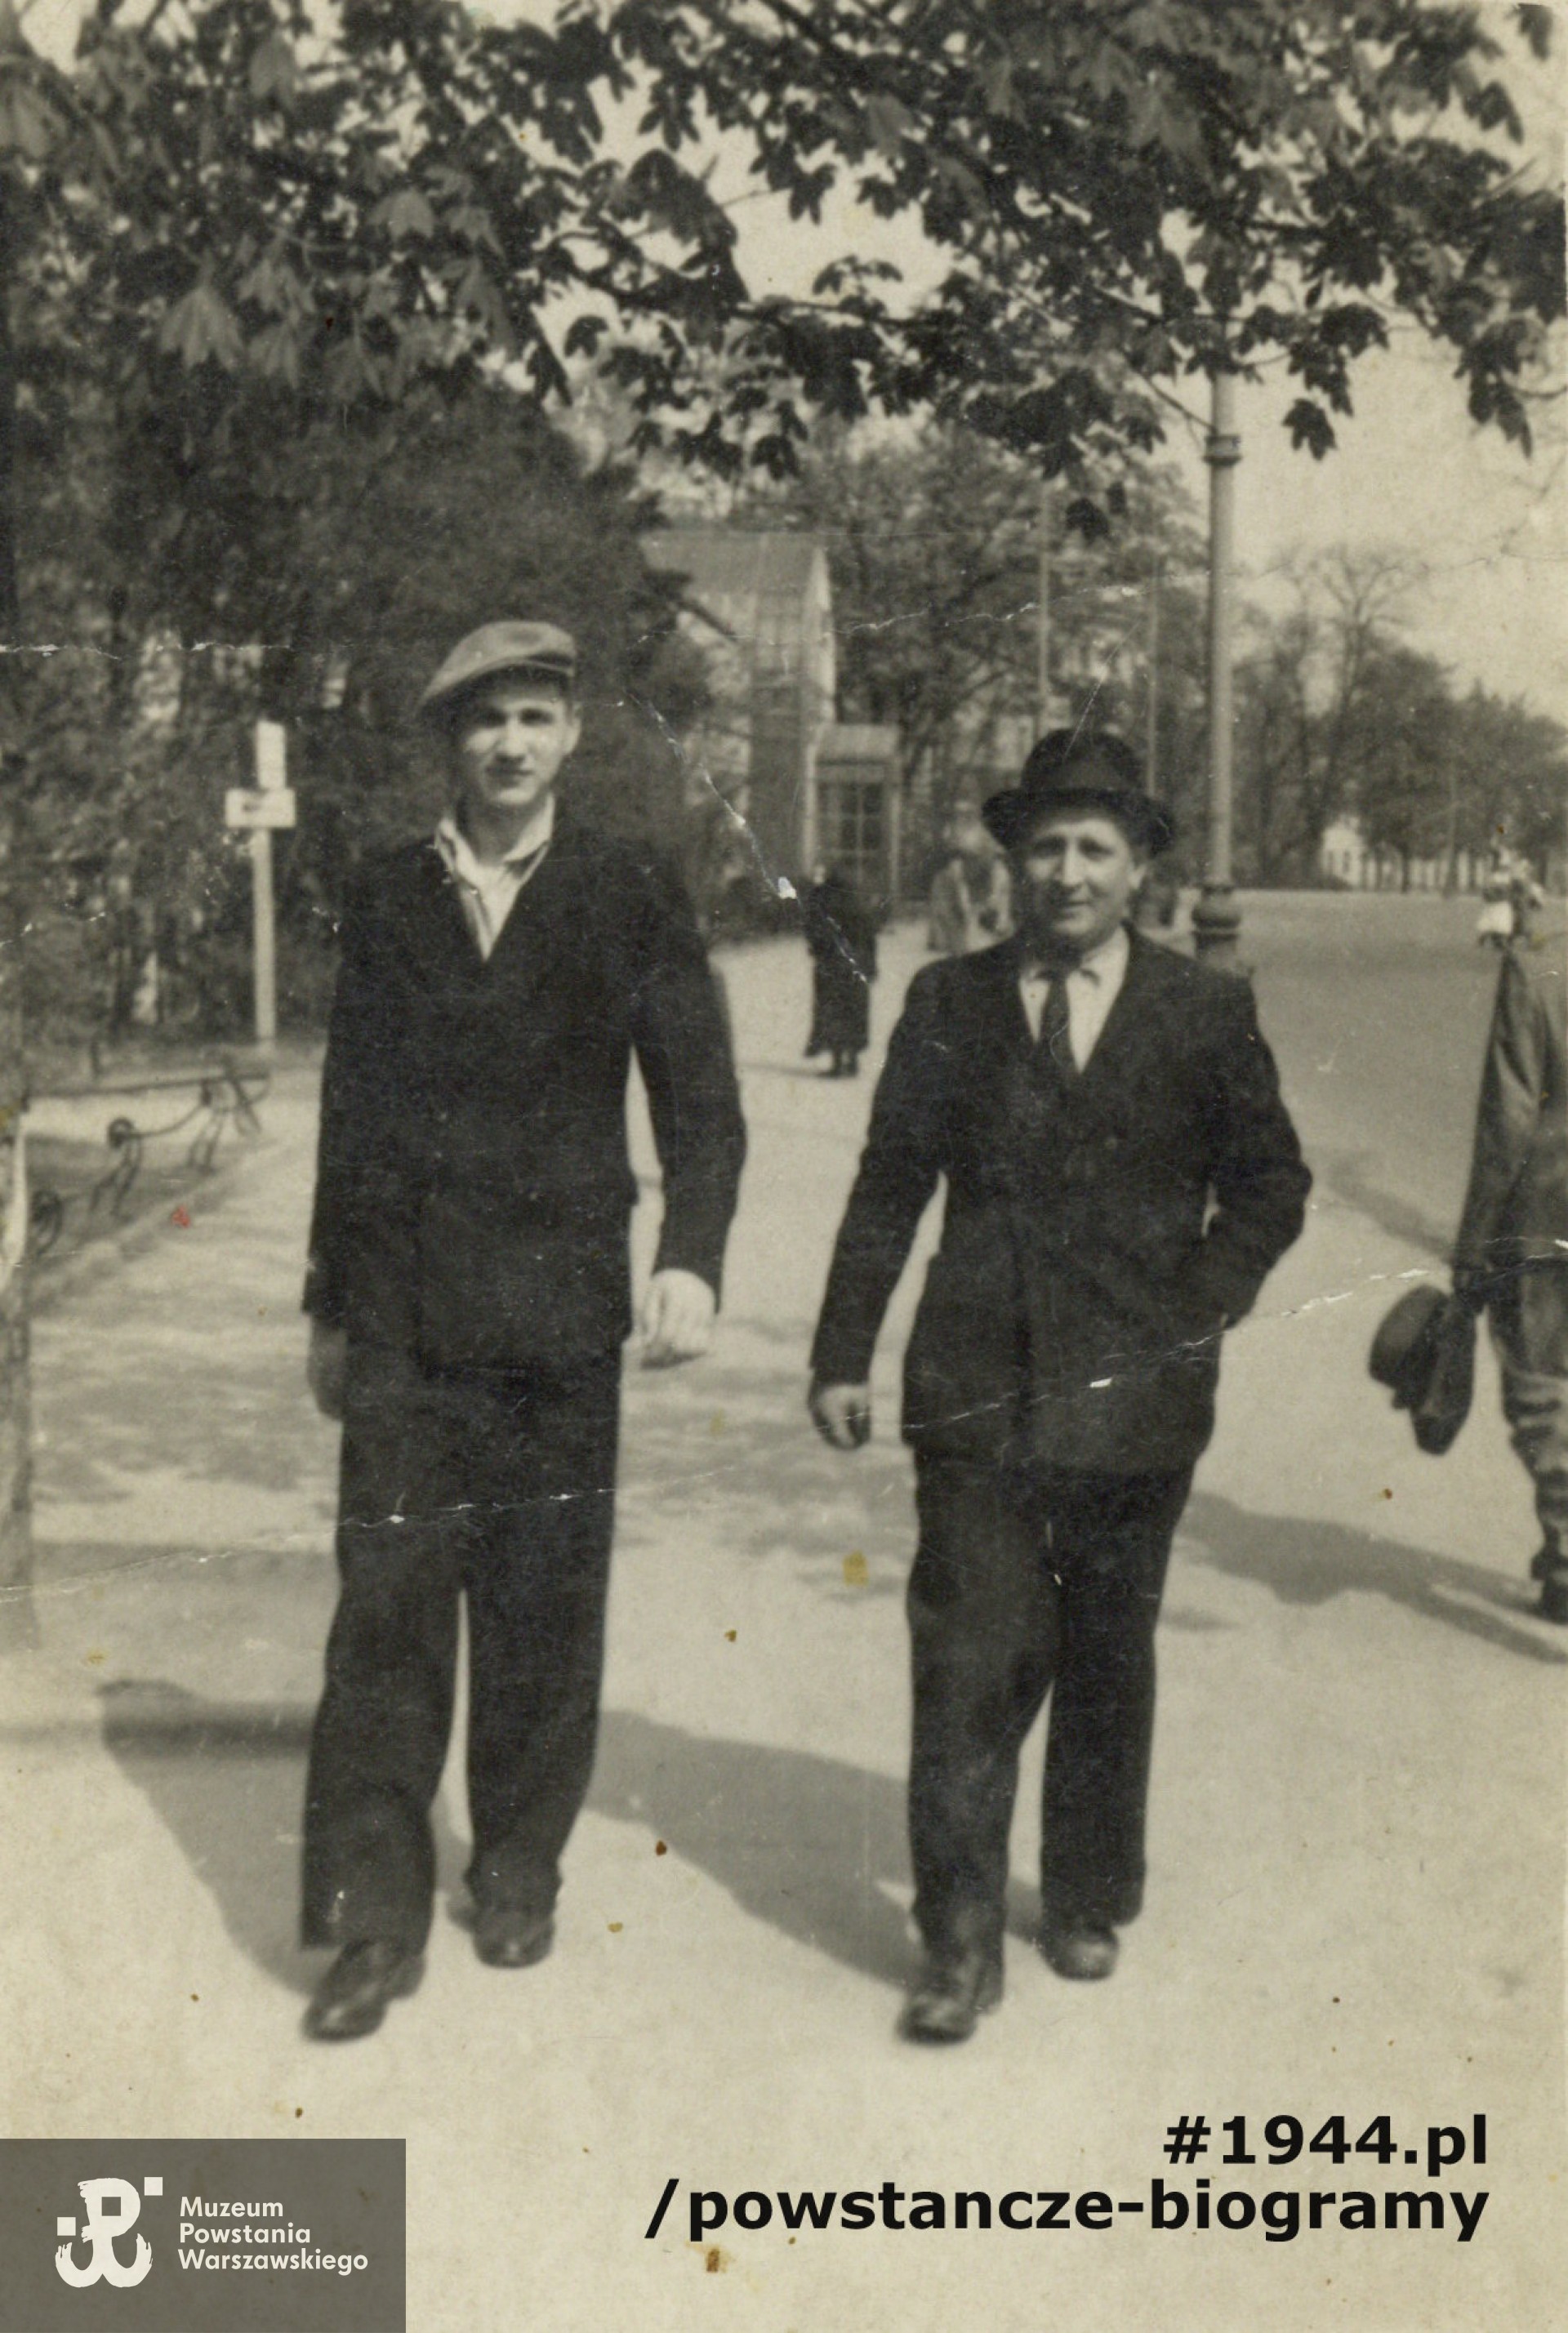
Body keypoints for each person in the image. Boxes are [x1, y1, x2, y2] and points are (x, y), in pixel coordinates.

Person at [808, 730, 1310, 2044]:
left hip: (1135, 1406)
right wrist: (838, 1354)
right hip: (974, 1388)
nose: (1069, 871)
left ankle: (1088, 1893)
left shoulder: (1205, 1012)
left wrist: (1195, 1314)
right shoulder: (947, 1004)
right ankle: (958, 1941)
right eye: (1046, 847)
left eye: (1096, 847)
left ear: (1142, 864)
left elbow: (1271, 1187)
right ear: (1010, 861)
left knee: (1104, 1658)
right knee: (968, 1658)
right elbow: (885, 1191)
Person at [299, 620, 746, 2041]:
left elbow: (701, 1095)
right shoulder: (387, 893)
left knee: (545, 1608)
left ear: (572, 735)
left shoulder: (625, 888)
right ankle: (372, 1921)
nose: (509, 744)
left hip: (558, 1320)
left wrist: (691, 1257)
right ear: (452, 738)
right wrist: (328, 1300)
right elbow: (351, 1110)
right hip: (407, 1320)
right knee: (385, 1617)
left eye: (535, 717)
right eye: (485, 719)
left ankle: (514, 1869)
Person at [1451, 915, 1568, 1618]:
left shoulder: (1539, 966)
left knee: (1539, 1383)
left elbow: (1508, 1117)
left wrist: (1473, 1246)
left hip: (1550, 1209)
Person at [804, 862, 878, 1076]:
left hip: (832, 966)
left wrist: (817, 951)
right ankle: (853, 1062)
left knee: (833, 1012)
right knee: (854, 1012)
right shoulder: (857, 903)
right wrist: (872, 966)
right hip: (857, 965)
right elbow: (870, 937)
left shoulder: (824, 901)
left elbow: (815, 931)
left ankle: (837, 1065)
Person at [927, 803, 1013, 956]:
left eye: (967, 813)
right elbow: (954, 855)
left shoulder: (986, 834)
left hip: (984, 874)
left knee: (1000, 878)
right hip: (961, 877)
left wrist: (997, 908)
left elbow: (995, 857)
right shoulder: (952, 835)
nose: (963, 816)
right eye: (960, 814)